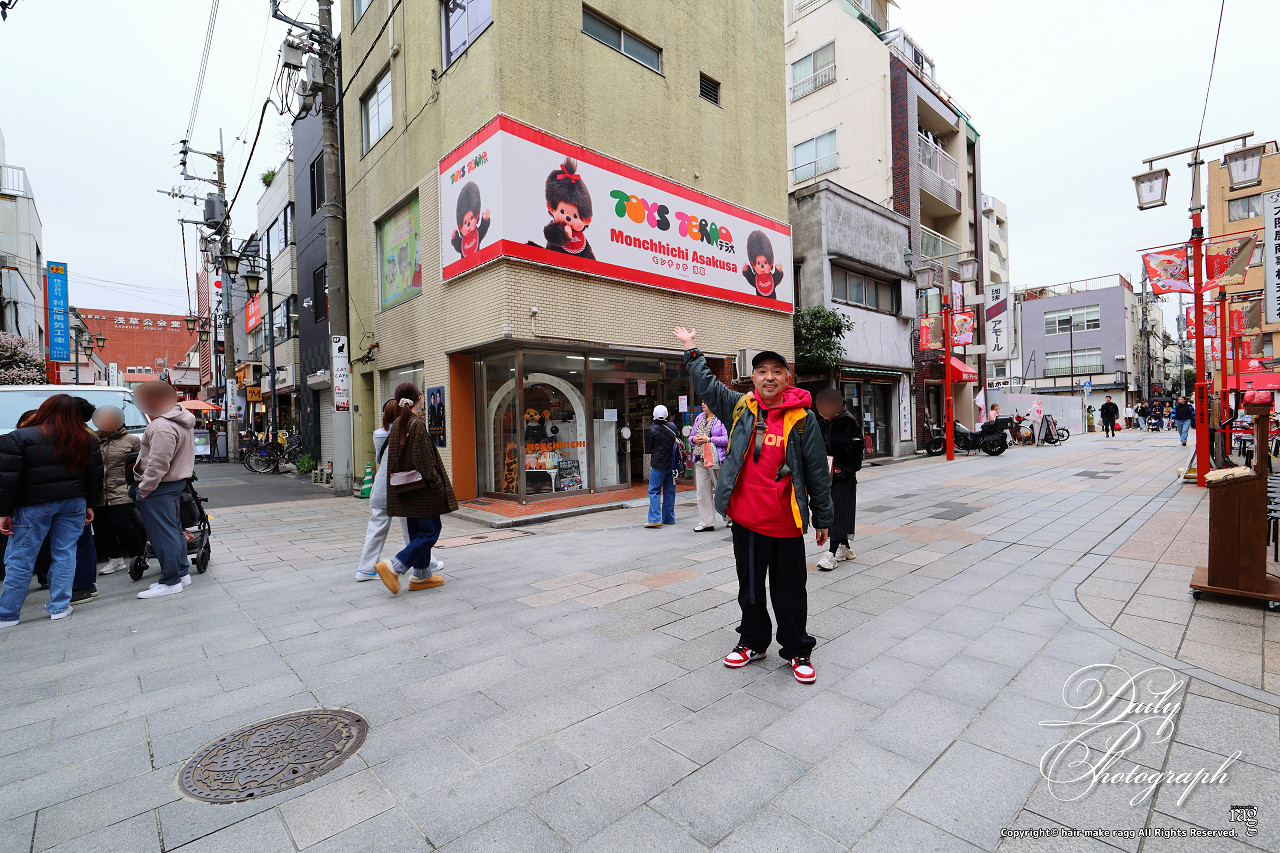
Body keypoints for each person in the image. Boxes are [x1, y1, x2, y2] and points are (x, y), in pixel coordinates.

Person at [674, 326, 833, 685]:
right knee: (750, 589)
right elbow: (708, 386)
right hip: (746, 521)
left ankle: (797, 649)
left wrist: (823, 517)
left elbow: (816, 473)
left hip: (785, 523)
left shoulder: (803, 419)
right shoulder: (740, 407)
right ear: (754, 378)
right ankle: (753, 641)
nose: (769, 377)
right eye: (762, 371)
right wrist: (691, 349)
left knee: (790, 592)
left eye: (776, 371)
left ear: (787, 378)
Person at [0, 394, 103, 626]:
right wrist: (90, 504)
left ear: (44, 410)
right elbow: (95, 476)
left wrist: (4, 511)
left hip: (33, 504)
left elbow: (7, 479)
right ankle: (60, 607)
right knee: (65, 553)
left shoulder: (19, 437)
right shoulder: (85, 438)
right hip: (74, 502)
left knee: (21, 557)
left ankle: (7, 613)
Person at [375, 382, 458, 595]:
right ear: (419, 399)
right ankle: (395, 566)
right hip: (423, 491)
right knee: (430, 532)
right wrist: (436, 483)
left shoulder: (397, 424)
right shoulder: (417, 424)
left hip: (406, 490)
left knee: (417, 533)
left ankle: (421, 575)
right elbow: (424, 461)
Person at [132, 381, 197, 599]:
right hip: (174, 483)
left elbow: (158, 463)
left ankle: (171, 581)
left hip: (160, 485)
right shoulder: (181, 419)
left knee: (163, 535)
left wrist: (145, 488)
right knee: (173, 531)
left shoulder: (161, 426)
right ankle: (181, 573)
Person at [355, 399, 411, 582]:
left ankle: (365, 569)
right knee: (412, 528)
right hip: (401, 486)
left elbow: (380, 460)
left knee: (376, 529)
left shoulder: (378, 434)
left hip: (381, 486)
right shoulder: (406, 433)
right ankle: (424, 563)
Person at [91, 406, 145, 576]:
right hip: (98, 492)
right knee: (101, 528)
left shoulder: (132, 440)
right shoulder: (93, 440)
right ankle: (114, 559)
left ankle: (138, 556)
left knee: (123, 524)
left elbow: (143, 464)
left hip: (122, 489)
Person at [815, 389, 861, 571]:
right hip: (825, 477)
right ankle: (846, 548)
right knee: (833, 510)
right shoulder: (820, 424)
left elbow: (856, 448)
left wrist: (840, 464)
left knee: (838, 512)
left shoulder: (848, 422)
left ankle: (831, 553)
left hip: (843, 477)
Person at [690, 402, 729, 532]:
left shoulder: (721, 418)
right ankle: (706, 523)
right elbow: (691, 436)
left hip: (716, 460)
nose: (703, 403)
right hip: (700, 459)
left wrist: (710, 439)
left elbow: (727, 439)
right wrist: (694, 440)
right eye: (702, 401)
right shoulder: (699, 417)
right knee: (702, 492)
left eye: (706, 401)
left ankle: (730, 518)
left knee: (722, 491)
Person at [643, 405, 678, 529]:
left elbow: (649, 447)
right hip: (671, 464)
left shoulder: (651, 430)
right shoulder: (672, 427)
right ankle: (669, 518)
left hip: (658, 465)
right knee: (669, 491)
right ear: (666, 415)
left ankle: (654, 519)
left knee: (654, 491)